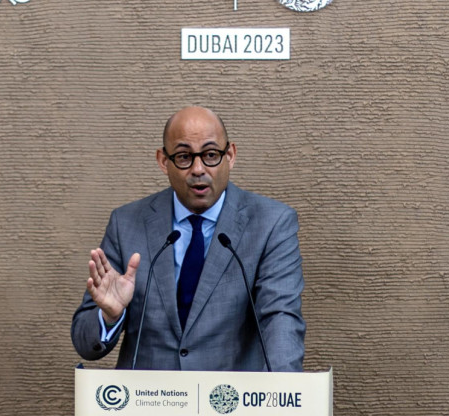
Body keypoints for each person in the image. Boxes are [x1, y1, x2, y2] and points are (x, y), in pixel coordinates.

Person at [71, 106, 305, 371]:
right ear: (163, 161)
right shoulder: (126, 224)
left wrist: (283, 395)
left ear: (230, 155)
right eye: (183, 157)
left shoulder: (271, 223)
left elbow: (281, 319)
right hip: (149, 403)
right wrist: (109, 315)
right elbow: (85, 343)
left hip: (229, 402)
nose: (198, 169)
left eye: (210, 155)